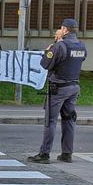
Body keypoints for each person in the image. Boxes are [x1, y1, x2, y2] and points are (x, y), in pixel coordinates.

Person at [28, 19, 87, 164]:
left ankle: (44, 154)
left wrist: (49, 49)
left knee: (51, 121)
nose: (59, 30)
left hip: (58, 88)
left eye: (60, 28)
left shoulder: (60, 46)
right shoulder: (81, 45)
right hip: (74, 86)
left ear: (65, 30)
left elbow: (45, 64)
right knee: (69, 120)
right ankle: (67, 154)